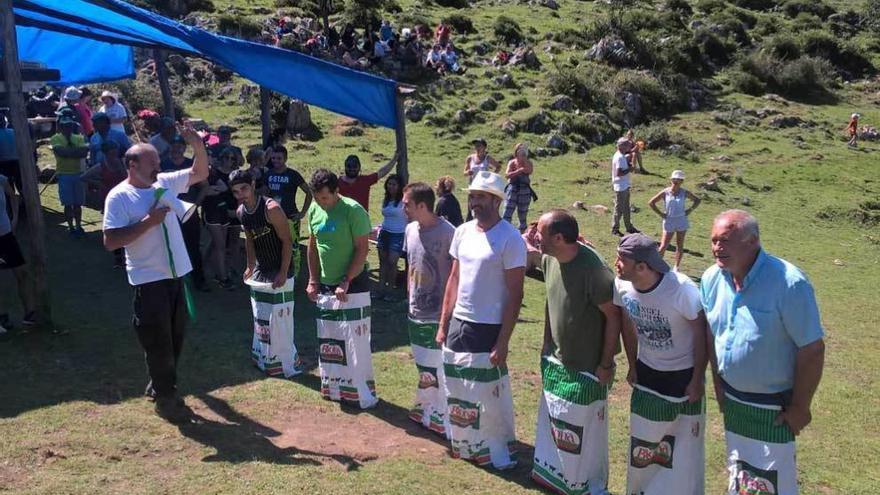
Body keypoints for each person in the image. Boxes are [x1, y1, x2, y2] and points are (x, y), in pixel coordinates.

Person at [702, 210, 825, 495]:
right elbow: (712, 333)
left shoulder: (789, 283)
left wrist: (800, 408)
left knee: (772, 484)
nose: (717, 248)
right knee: (741, 475)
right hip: (734, 400)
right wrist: (719, 386)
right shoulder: (711, 278)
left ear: (752, 241)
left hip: (774, 408)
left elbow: (812, 348)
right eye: (713, 240)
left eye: (725, 241)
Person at [102, 122, 209, 423]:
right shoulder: (119, 197)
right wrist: (149, 222)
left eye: (158, 164)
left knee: (176, 337)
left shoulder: (163, 182)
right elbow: (110, 241)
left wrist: (197, 146)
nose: (157, 169)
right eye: (152, 164)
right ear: (132, 165)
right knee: (157, 338)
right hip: (149, 280)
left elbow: (199, 174)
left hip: (177, 275)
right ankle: (166, 396)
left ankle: (160, 383)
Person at [522, 209, 620, 494]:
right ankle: (554, 475)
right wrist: (545, 344)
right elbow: (551, 302)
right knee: (556, 422)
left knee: (584, 430)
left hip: (588, 364)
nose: (535, 237)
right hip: (557, 358)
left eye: (540, 233)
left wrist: (606, 363)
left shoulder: (593, 269)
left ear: (560, 238)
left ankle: (584, 482)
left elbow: (613, 316)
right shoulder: (549, 259)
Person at [437, 171, 526, 470]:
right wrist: (443, 322)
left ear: (496, 200)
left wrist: (503, 341)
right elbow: (454, 278)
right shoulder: (462, 232)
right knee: (457, 385)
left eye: (480, 197)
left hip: (488, 325)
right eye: (472, 196)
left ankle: (492, 446)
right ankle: (463, 442)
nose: (474, 202)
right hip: (459, 321)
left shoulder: (510, 239)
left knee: (486, 392)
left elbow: (516, 294)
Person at [613, 233, 707, 495]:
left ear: (642, 267)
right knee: (645, 437)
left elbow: (701, 332)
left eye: (621, 259)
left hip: (682, 374)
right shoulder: (622, 284)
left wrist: (697, 378)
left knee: (682, 442)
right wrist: (633, 364)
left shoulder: (681, 289)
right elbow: (627, 324)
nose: (616, 263)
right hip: (647, 369)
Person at [305, 169, 378, 409]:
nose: (321, 203)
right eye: (317, 198)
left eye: (325, 198)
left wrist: (346, 280)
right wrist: (313, 280)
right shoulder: (315, 210)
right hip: (326, 284)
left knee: (355, 340)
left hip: (353, 283)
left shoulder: (353, 211)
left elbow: (362, 249)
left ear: (336, 192)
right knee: (331, 337)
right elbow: (313, 247)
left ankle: (359, 388)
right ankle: (335, 385)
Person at [230, 169, 303, 378]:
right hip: (262, 270)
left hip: (281, 268)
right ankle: (265, 359)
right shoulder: (241, 212)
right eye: (236, 192)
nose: (241, 194)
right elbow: (251, 240)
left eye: (244, 188)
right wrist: (249, 266)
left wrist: (283, 271)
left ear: (253, 184)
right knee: (261, 316)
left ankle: (287, 362)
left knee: (281, 319)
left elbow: (287, 241)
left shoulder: (271, 208)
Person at [401, 181, 456, 435]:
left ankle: (443, 416)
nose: (404, 209)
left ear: (422, 205)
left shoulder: (449, 233)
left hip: (438, 314)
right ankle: (425, 408)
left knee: (439, 367)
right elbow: (411, 266)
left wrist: (448, 315)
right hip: (415, 311)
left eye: (407, 205)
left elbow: (457, 276)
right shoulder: (410, 230)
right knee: (423, 364)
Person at [159, 136, 209, 291]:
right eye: (174, 145)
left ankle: (198, 280)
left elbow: (204, 186)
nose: (176, 149)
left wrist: (196, 204)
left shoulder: (190, 164)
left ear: (184, 148)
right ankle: (172, 281)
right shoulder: (162, 164)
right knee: (169, 246)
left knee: (193, 247)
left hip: (189, 212)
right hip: (168, 212)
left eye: (180, 146)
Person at [265, 145, 312, 277]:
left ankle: (294, 276)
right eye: (273, 158)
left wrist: (303, 213)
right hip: (272, 218)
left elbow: (309, 192)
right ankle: (278, 272)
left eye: (279, 158)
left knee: (294, 247)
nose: (275, 161)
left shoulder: (293, 174)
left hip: (291, 217)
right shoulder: (268, 174)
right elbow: (263, 193)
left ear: (285, 158)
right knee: (274, 246)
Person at [81, 140, 128, 268]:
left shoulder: (123, 163)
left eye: (115, 152)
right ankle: (118, 258)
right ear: (106, 153)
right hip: (109, 198)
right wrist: (99, 184)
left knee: (126, 224)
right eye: (111, 153)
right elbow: (84, 177)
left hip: (124, 198)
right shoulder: (101, 165)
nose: (114, 155)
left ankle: (128, 254)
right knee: (113, 227)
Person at [0, 172, 36, 333]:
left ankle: (30, 314)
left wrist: (14, 218)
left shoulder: (1, 179)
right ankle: (2, 317)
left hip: (6, 235)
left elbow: (14, 194)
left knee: (22, 273)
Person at [648, 170, 701, 272]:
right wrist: (661, 214)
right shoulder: (665, 192)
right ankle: (656, 265)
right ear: (671, 180)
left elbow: (697, 200)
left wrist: (690, 210)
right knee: (664, 245)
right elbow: (651, 202)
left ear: (682, 181)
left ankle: (676, 267)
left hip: (681, 220)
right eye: (674, 179)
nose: (676, 181)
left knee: (680, 244)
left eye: (679, 180)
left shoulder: (684, 192)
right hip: (669, 220)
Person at [202, 148, 239, 289]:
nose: (229, 161)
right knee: (220, 246)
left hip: (225, 211)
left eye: (232, 159)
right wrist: (209, 191)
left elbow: (223, 188)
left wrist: (212, 190)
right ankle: (223, 277)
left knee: (219, 245)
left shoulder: (213, 172)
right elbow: (203, 191)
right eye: (226, 158)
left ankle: (216, 271)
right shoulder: (206, 172)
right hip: (212, 212)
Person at [50, 114, 89, 237]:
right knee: (67, 204)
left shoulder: (79, 138)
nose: (67, 128)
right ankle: (71, 227)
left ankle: (78, 226)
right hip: (64, 174)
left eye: (69, 125)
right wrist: (74, 152)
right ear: (60, 127)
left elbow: (83, 153)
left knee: (78, 203)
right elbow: (60, 152)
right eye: (65, 126)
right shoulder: (55, 138)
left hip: (78, 174)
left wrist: (69, 152)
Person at [377, 174, 407, 300]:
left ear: (399, 186)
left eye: (394, 184)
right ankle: (381, 290)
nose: (391, 186)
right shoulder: (387, 199)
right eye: (389, 184)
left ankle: (390, 290)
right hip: (384, 232)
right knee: (383, 262)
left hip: (398, 234)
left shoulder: (404, 201)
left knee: (392, 262)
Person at [502, 142, 535, 232]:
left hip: (524, 191)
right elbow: (507, 175)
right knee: (507, 213)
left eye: (524, 151)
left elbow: (529, 170)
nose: (522, 153)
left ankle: (522, 234)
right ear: (516, 152)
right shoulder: (512, 163)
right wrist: (518, 171)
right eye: (520, 150)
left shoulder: (528, 163)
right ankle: (505, 231)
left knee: (522, 215)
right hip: (512, 189)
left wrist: (524, 160)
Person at [611, 137, 639, 237]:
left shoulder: (621, 155)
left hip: (624, 185)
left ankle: (629, 227)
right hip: (620, 186)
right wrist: (630, 169)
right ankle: (615, 229)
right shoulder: (619, 157)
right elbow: (619, 172)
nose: (629, 146)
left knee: (626, 208)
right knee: (619, 209)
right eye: (627, 144)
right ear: (622, 146)